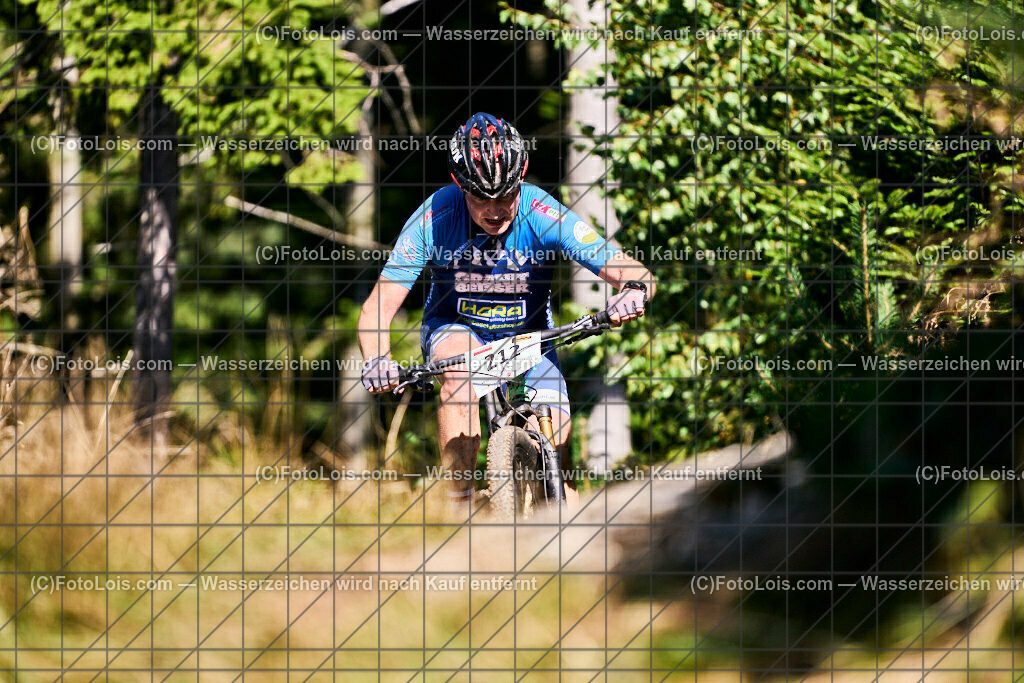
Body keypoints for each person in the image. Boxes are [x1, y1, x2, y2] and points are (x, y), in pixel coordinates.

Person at [358, 112, 655, 515]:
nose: (495, 210)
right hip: (458, 328)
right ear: (459, 186)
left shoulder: (541, 212)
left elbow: (633, 272)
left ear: (521, 183)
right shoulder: (434, 218)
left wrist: (632, 292)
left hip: (530, 338)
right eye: (481, 198)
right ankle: (457, 511)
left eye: (506, 196)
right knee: (458, 378)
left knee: (558, 468)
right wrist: (378, 359)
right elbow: (379, 305)